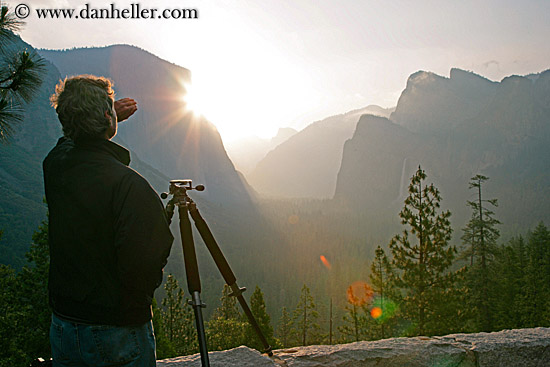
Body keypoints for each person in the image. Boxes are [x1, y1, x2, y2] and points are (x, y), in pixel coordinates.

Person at [43, 75, 174, 366]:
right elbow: (148, 261)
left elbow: (67, 142)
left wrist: (100, 117)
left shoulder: (54, 165)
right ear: (106, 115)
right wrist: (133, 311)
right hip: (117, 332)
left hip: (64, 326)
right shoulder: (129, 186)